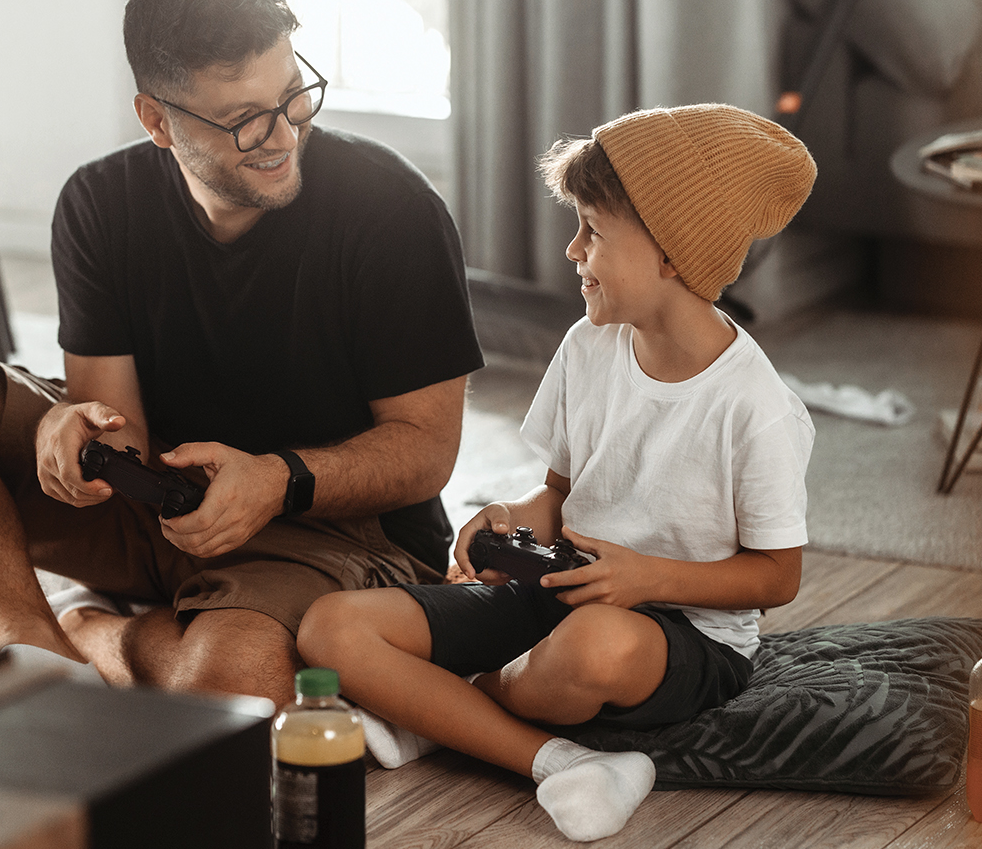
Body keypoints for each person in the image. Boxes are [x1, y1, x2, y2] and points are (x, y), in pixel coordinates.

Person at [0, 0, 482, 710]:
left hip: (329, 528)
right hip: (156, 501)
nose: (282, 134)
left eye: (293, 95)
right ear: (156, 121)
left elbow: (427, 451)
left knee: (233, 692)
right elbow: (121, 436)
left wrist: (277, 479)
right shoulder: (100, 202)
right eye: (242, 121)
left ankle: (86, 634)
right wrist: (76, 432)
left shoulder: (392, 210)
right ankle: (24, 642)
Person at [299, 103, 817, 841]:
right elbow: (561, 497)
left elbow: (776, 578)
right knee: (332, 629)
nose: (573, 250)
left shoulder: (756, 407)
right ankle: (562, 759)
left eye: (594, 232)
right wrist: (510, 518)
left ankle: (444, 711)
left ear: (672, 254)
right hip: (563, 586)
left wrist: (647, 579)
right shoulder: (588, 345)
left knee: (595, 646)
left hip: (681, 632)